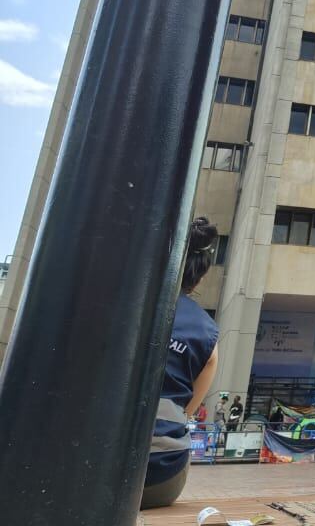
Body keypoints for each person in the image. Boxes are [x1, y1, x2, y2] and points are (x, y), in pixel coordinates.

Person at [141, 218, 221, 510]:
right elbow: (187, 411)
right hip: (163, 476)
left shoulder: (126, 303)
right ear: (198, 277)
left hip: (96, 466)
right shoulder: (207, 331)